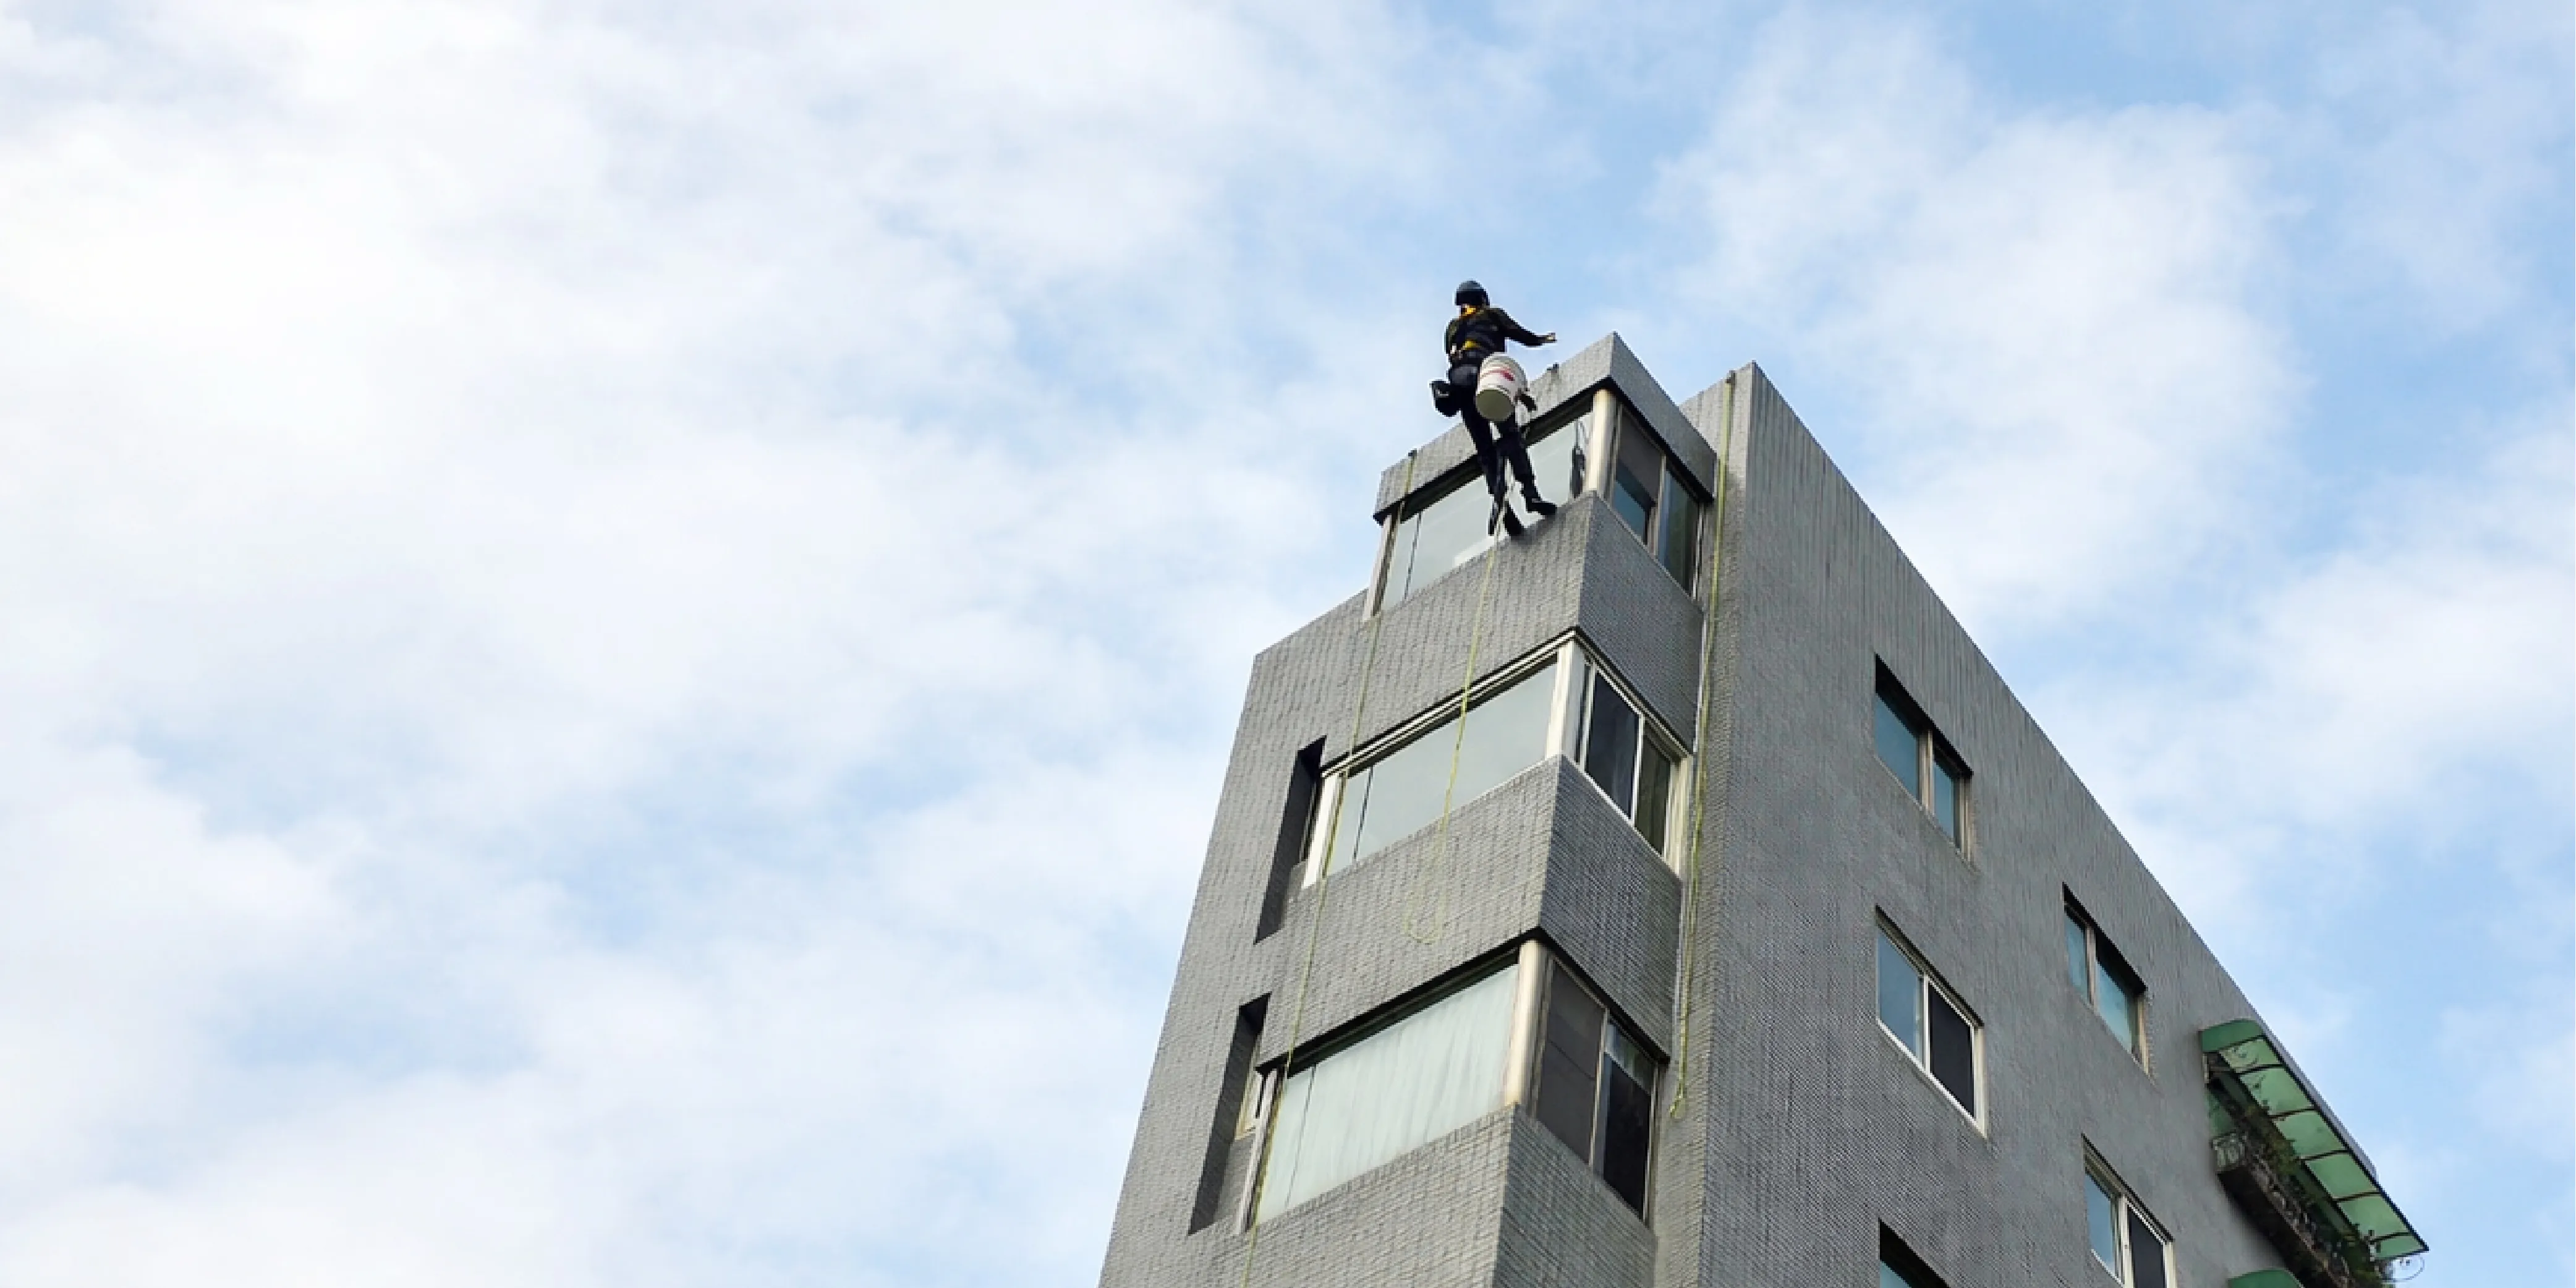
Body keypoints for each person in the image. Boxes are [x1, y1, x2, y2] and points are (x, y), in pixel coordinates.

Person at [1440, 281, 1557, 534]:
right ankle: (1530, 493)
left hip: (1461, 384)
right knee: (1510, 435)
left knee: (1485, 449)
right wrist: (1540, 340)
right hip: (1488, 377)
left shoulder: (1453, 327)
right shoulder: (1492, 315)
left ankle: (1499, 499)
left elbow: (1450, 354)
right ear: (1482, 299)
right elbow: (1518, 333)